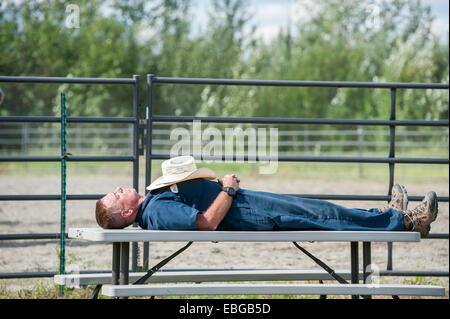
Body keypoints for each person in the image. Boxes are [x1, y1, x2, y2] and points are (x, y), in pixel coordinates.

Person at [95, 155, 438, 237]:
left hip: (246, 205)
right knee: (319, 215)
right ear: (126, 214)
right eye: (116, 196)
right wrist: (228, 189)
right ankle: (406, 221)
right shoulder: (155, 214)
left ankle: (386, 216)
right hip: (246, 211)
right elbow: (207, 223)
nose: (120, 189)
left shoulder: (152, 204)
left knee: (318, 210)